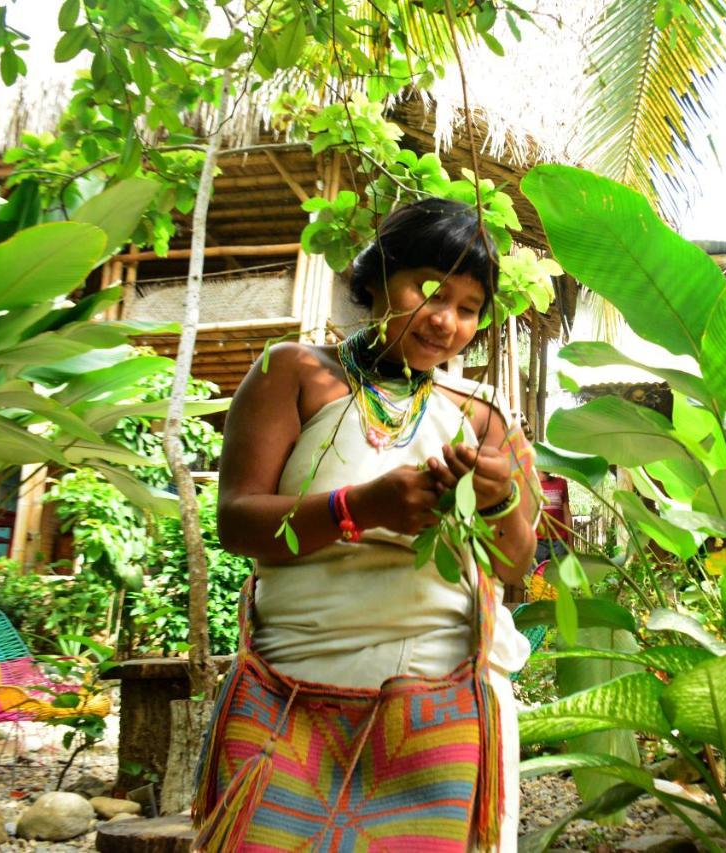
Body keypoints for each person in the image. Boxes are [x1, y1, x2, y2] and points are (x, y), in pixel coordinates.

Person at [194, 198, 538, 852]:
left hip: (440, 691)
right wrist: (361, 509)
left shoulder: (487, 417)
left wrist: (496, 503)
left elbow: (517, 567)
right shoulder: (292, 372)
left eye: (468, 308)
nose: (445, 319)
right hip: (292, 683)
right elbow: (237, 523)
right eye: (428, 290)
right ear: (376, 279)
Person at [534, 470, 572, 565]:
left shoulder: (561, 483)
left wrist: (571, 545)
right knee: (538, 577)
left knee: (558, 578)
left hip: (559, 542)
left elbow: (567, 514)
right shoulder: (530, 484)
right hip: (538, 543)